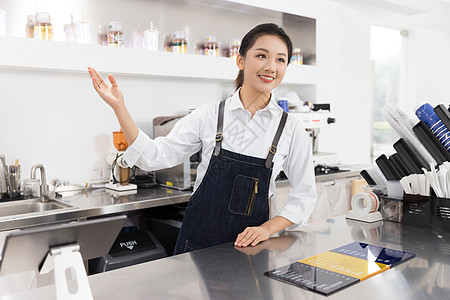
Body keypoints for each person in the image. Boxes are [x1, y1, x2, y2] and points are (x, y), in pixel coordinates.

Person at [88, 23, 317, 255]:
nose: (271, 67)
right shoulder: (209, 115)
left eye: (280, 60)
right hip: (197, 245)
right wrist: (119, 107)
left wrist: (268, 228)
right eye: (261, 56)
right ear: (240, 61)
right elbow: (154, 157)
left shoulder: (290, 129)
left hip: (251, 248)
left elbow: (305, 195)